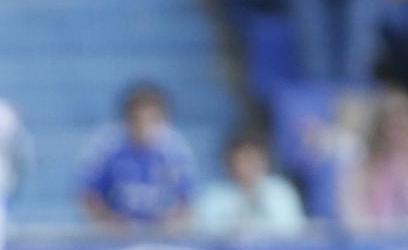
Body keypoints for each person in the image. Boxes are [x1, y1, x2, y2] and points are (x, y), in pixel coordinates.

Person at [78, 82, 195, 231]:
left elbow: (187, 201)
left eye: (151, 120)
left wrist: (171, 223)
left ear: (164, 120)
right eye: (137, 120)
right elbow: (88, 196)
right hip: (115, 237)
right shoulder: (107, 149)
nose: (144, 128)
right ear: (126, 120)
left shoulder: (177, 152)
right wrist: (108, 222)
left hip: (162, 237)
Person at [193, 130, 308, 237]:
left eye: (251, 160)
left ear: (264, 161)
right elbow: (205, 233)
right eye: (240, 161)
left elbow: (293, 231)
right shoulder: (214, 196)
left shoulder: (281, 191)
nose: (246, 167)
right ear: (229, 164)